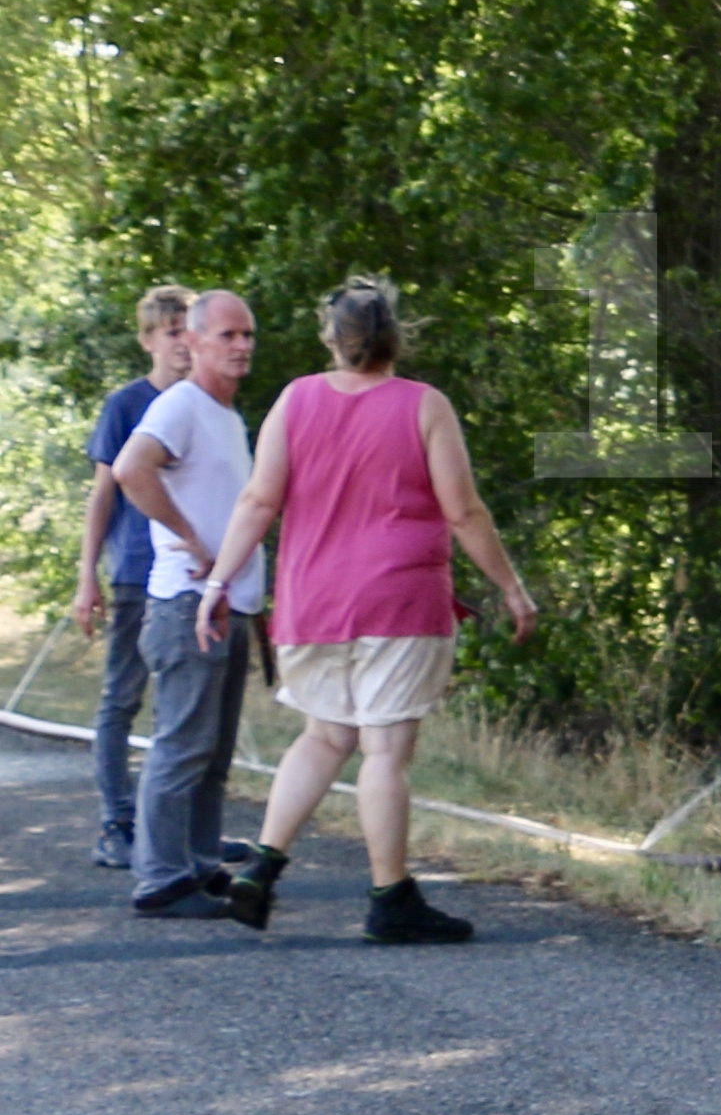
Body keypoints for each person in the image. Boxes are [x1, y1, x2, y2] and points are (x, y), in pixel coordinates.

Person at [208, 278, 540, 942]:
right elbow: (463, 511)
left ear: (330, 338)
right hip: (399, 601)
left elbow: (257, 501)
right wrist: (510, 586)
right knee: (384, 749)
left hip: (312, 601)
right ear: (396, 337)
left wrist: (217, 582)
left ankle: (260, 870)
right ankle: (392, 899)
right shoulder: (423, 405)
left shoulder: (295, 400)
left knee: (325, 735)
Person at [108, 291, 266, 917]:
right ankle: (159, 876)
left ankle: (199, 864)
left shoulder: (226, 415)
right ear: (193, 341)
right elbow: (129, 469)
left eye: (247, 334)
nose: (241, 345)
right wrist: (190, 540)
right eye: (227, 335)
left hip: (231, 604)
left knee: (214, 752)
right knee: (181, 746)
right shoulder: (180, 406)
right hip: (185, 603)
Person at [70, 285, 196, 871]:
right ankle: (115, 820)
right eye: (171, 332)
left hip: (192, 573)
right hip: (136, 572)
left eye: (188, 330)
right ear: (148, 340)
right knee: (122, 698)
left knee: (183, 706)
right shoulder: (127, 404)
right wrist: (86, 578)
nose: (182, 343)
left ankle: (176, 825)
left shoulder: (208, 404)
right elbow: (103, 496)